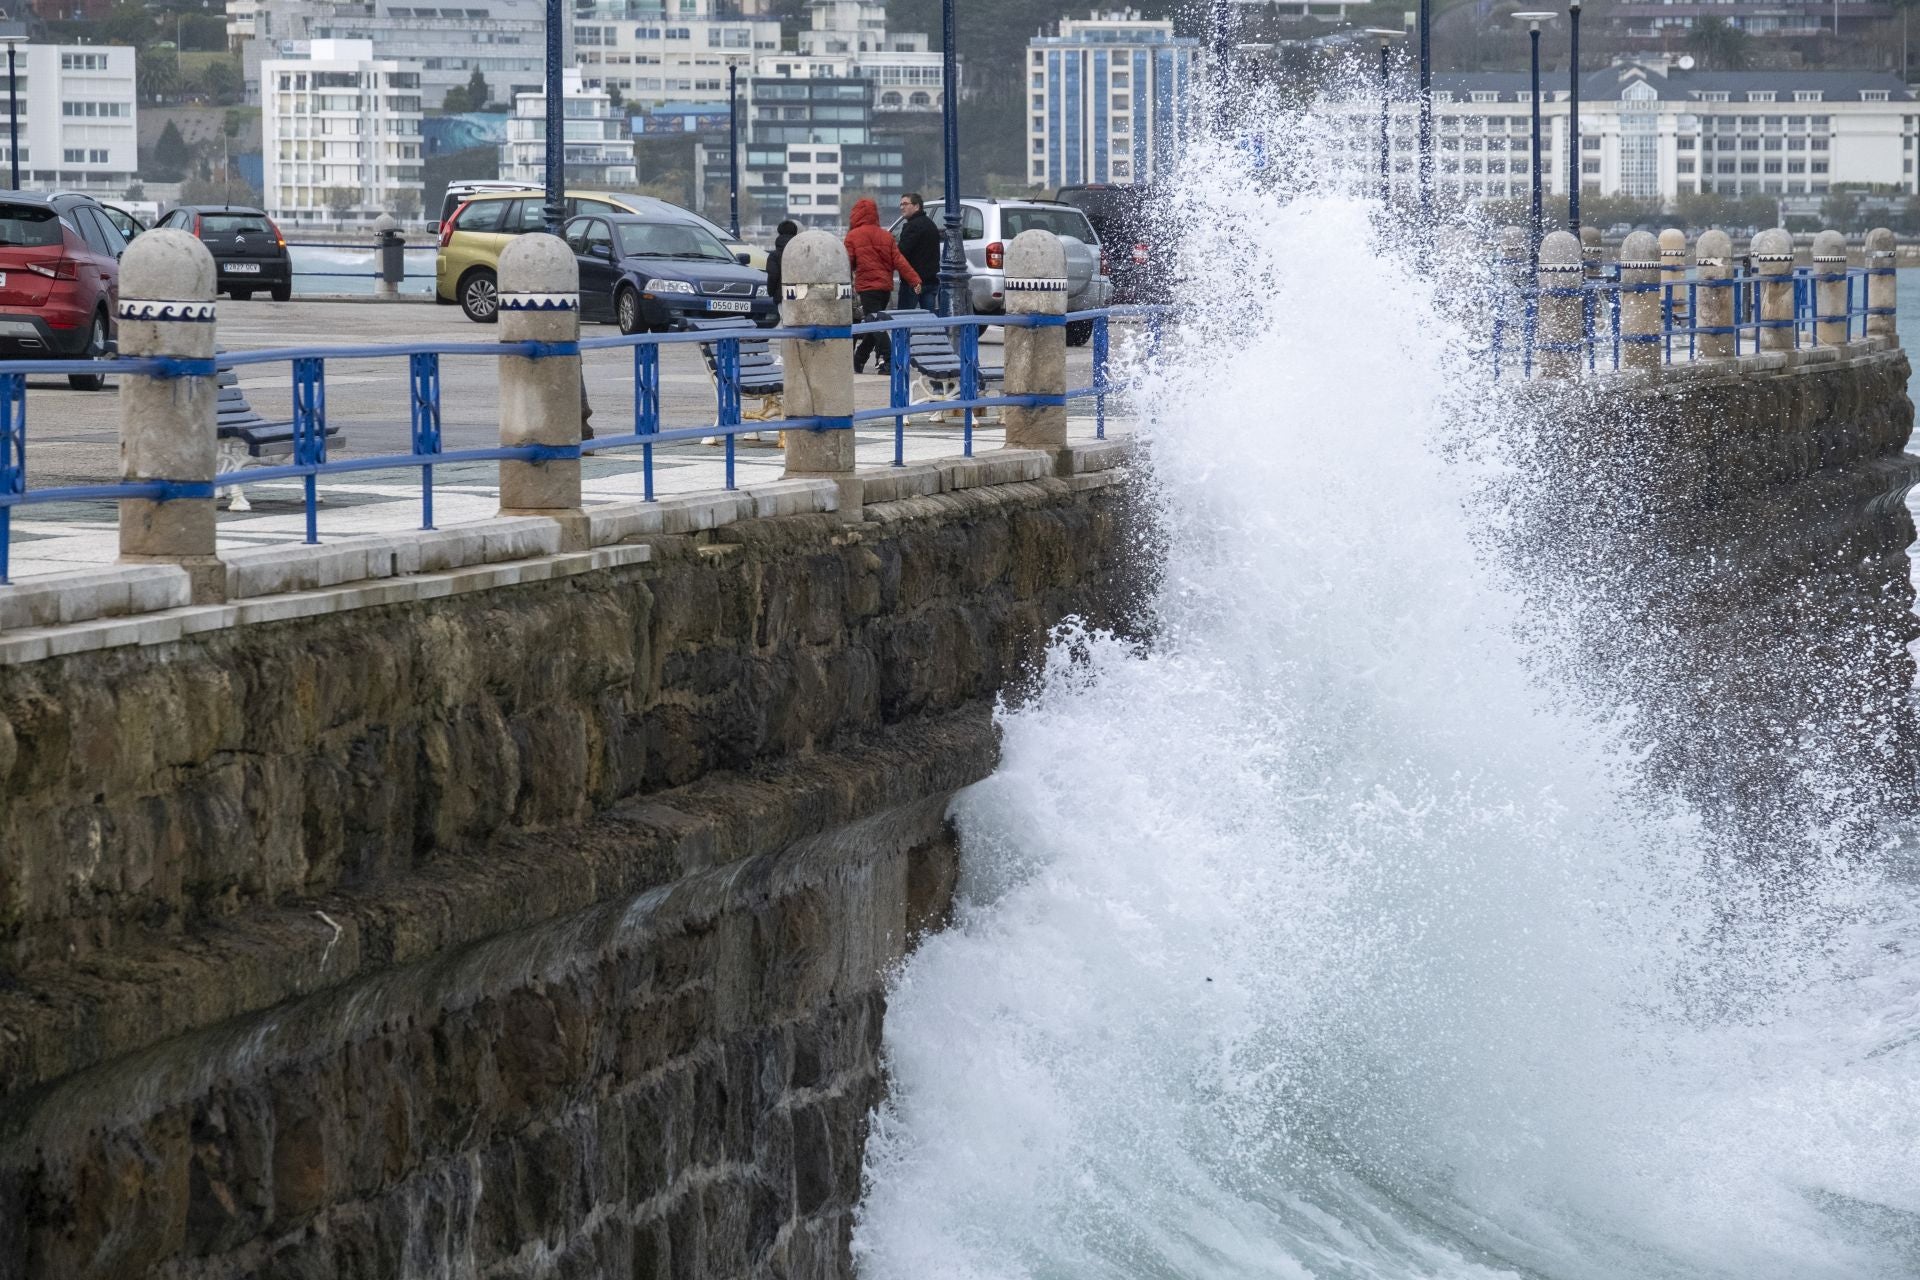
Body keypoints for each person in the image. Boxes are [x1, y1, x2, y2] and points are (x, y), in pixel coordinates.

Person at [844, 196, 920, 374]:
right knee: (874, 323)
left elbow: (847, 263)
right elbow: (899, 261)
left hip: (867, 288)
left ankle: (890, 357)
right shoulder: (886, 235)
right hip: (884, 288)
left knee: (874, 324)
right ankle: (859, 358)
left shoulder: (853, 236)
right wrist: (914, 279)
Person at [895, 192, 941, 312]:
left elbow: (901, 252)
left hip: (913, 282)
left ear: (916, 206)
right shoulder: (931, 225)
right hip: (931, 280)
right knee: (929, 319)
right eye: (900, 204)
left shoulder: (911, 226)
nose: (901, 207)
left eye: (905, 204)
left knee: (904, 319)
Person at [764, 219, 799, 306]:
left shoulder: (774, 255)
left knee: (785, 319)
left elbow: (773, 276)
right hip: (802, 294)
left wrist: (771, 292)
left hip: (782, 296)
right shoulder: (803, 253)